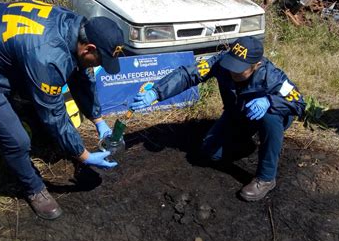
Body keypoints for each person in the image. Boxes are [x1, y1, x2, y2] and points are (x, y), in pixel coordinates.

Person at [0, 0, 125, 219]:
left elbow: (82, 77)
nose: (97, 66)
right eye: (99, 60)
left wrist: (98, 121)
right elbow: (53, 113)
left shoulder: (75, 26)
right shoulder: (48, 57)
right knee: (17, 139)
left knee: (7, 110)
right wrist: (83, 155)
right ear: (88, 48)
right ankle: (33, 188)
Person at [129, 36, 305, 201]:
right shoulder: (221, 63)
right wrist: (157, 92)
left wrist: (269, 100)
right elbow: (188, 75)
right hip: (238, 114)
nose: (232, 72)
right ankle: (247, 144)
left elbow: (298, 103)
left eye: (239, 68)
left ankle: (266, 178)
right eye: (231, 64)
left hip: (267, 115)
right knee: (210, 153)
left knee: (271, 117)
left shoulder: (272, 77)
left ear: (256, 65)